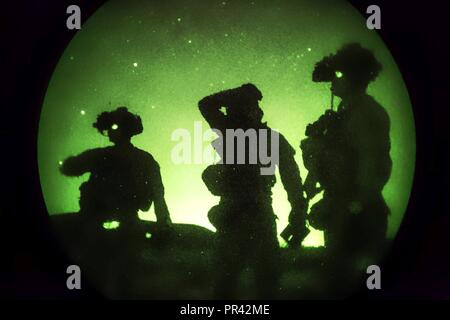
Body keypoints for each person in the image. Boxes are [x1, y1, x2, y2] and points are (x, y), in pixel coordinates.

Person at [199, 83, 308, 298]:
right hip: (249, 211)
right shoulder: (240, 133)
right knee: (245, 281)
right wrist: (298, 212)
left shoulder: (232, 132)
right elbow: (292, 181)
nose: (234, 113)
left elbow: (207, 104)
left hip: (244, 211)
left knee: (246, 280)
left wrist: (235, 95)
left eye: (239, 108)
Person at [302, 43, 392, 271]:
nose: (333, 81)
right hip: (345, 206)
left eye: (338, 75)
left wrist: (352, 207)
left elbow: (371, 164)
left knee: (345, 278)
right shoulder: (347, 111)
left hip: (355, 210)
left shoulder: (364, 112)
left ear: (352, 77)